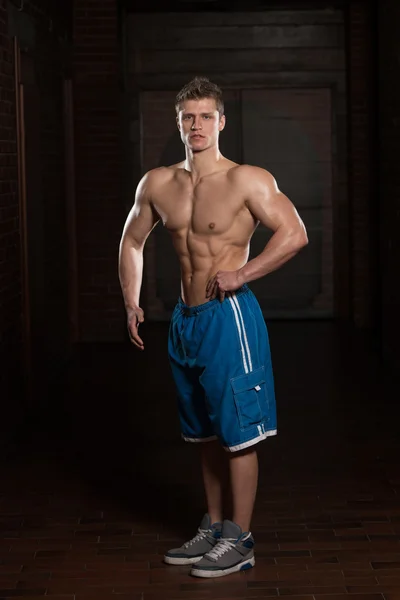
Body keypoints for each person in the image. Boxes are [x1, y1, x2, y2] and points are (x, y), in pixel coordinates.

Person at [118, 76, 308, 578]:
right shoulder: (157, 183)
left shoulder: (247, 179)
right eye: (188, 117)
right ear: (177, 124)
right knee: (202, 433)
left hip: (230, 316)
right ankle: (215, 526)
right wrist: (130, 300)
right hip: (185, 319)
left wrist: (242, 273)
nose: (197, 125)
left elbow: (294, 234)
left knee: (238, 433)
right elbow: (132, 241)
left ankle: (240, 540)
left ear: (221, 122)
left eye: (206, 116)